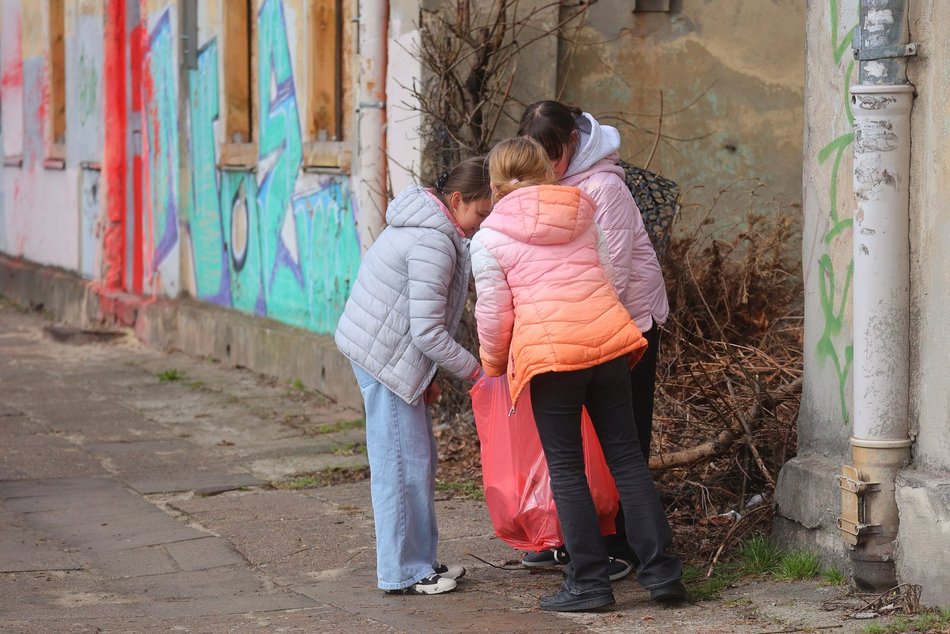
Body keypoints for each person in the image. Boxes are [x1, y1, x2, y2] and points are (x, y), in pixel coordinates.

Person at [470, 137, 685, 612]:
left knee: (566, 470)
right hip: (608, 344)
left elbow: (494, 313)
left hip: (551, 361)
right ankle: (663, 574)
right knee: (627, 460)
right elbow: (607, 277)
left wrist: (494, 363)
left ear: (495, 182)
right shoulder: (582, 210)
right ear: (548, 171)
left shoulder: (487, 237)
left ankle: (589, 583)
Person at [517, 100, 670, 570]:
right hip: (577, 327)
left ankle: (627, 547)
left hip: (628, 325)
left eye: (552, 155)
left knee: (626, 442)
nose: (545, 167)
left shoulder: (605, 187)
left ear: (571, 142)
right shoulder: (557, 180)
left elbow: (613, 271)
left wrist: (574, 323)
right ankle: (583, 535)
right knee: (580, 445)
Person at [334, 158, 492, 595]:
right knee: (401, 466)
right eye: (481, 213)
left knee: (415, 462)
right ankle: (405, 572)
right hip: (385, 357)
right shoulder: (433, 241)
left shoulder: (426, 225)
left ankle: (420, 561)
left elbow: (415, 322)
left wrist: (427, 377)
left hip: (386, 353)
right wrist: (477, 373)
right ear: (457, 200)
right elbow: (426, 331)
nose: (482, 225)